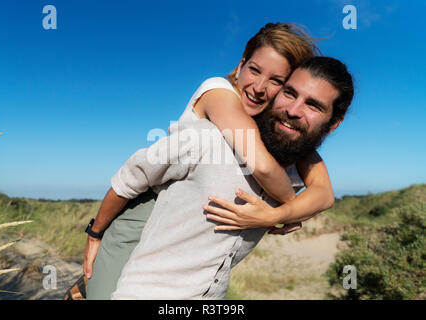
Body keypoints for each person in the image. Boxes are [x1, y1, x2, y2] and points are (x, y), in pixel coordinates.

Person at [81, 23, 334, 300]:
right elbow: (261, 166)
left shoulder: (271, 124)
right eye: (254, 70)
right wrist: (95, 233)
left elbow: (323, 191)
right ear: (240, 65)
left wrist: (287, 213)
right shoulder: (218, 92)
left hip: (184, 238)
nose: (259, 87)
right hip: (145, 216)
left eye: (276, 81)